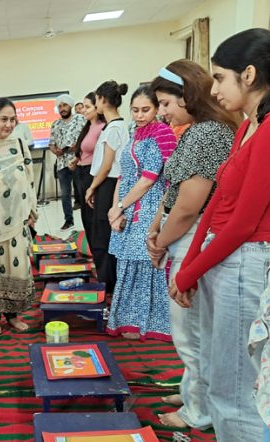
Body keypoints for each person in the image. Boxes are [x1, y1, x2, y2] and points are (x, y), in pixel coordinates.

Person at [169, 28, 270, 442]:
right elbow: (217, 206)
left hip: (244, 263)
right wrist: (190, 264)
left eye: (220, 77)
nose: (213, 90)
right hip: (222, 257)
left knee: (236, 381)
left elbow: (241, 224)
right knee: (219, 372)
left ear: (250, 75)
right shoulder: (248, 125)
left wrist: (192, 268)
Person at [146, 59, 238, 431]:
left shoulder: (207, 134)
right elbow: (173, 193)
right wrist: (158, 227)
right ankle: (192, 391)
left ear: (187, 94)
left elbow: (188, 205)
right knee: (192, 329)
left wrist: (160, 242)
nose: (162, 113)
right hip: (183, 233)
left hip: (194, 235)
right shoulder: (200, 130)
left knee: (192, 332)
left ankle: (197, 411)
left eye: (166, 103)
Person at [105, 86, 177, 340]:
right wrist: (115, 210)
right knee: (128, 264)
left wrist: (122, 206)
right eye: (134, 110)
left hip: (147, 208)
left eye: (145, 109)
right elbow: (123, 176)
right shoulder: (134, 134)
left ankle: (149, 323)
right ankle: (128, 320)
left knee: (146, 265)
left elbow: (148, 179)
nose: (139, 115)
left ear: (157, 109)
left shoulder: (161, 134)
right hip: (129, 204)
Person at [0, 98, 36, 335]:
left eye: (13, 119)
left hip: (16, 223)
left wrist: (31, 210)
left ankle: (12, 315)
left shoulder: (20, 144)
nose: (9, 124)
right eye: (4, 119)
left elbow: (29, 180)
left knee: (15, 268)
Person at [85, 81, 130, 295]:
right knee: (105, 233)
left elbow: (106, 165)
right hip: (112, 182)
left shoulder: (114, 128)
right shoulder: (121, 125)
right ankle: (109, 280)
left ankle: (108, 284)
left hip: (108, 183)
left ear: (102, 100)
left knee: (103, 235)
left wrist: (92, 187)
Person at [70, 92, 105, 246]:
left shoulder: (102, 127)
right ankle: (93, 251)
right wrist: (77, 159)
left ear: (97, 107)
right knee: (86, 217)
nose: (83, 110)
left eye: (87, 106)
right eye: (83, 106)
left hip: (93, 175)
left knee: (93, 218)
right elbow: (84, 150)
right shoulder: (88, 127)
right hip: (81, 173)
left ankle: (98, 252)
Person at [49, 94, 85, 230]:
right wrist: (55, 150)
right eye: (60, 106)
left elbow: (86, 135)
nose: (62, 109)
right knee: (65, 193)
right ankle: (68, 220)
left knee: (82, 192)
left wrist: (78, 145)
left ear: (70, 106)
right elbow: (51, 144)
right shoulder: (55, 124)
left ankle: (87, 219)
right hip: (62, 163)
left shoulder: (80, 119)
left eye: (64, 105)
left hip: (78, 161)